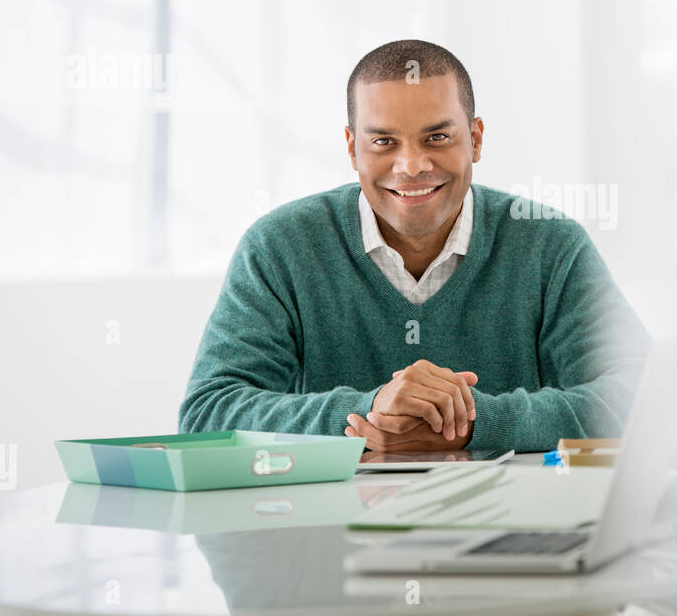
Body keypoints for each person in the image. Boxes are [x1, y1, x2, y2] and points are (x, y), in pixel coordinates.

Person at [178, 39, 651, 454]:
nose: (410, 165)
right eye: (384, 141)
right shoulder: (279, 248)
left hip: (510, 533)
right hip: (328, 536)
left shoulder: (548, 244)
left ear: (476, 139)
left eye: (437, 137)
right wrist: (367, 414)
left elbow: (641, 397)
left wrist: (472, 423)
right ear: (351, 149)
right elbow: (207, 414)